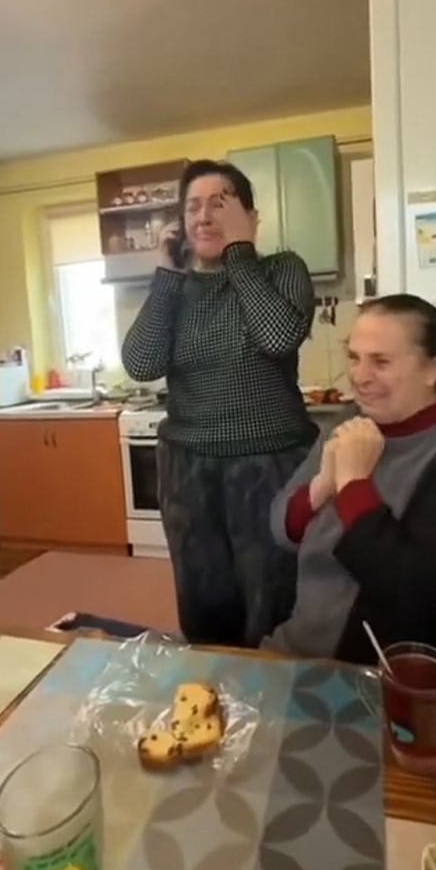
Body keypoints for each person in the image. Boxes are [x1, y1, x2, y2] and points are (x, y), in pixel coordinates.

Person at [261, 294, 436, 678]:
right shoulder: (348, 422)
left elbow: (423, 596)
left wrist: (354, 484)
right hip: (305, 648)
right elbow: (282, 528)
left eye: (381, 362)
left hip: (408, 673)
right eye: (354, 357)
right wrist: (323, 484)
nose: (360, 377)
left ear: (433, 368)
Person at [120, 159, 317, 648]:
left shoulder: (281, 269)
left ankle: (273, 688)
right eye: (193, 207)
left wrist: (239, 252)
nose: (204, 216)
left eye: (219, 204)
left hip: (269, 464)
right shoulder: (176, 287)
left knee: (272, 597)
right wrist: (167, 274)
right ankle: (211, 683)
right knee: (203, 600)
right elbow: (141, 363)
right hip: (188, 469)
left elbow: (278, 337)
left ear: (251, 217)